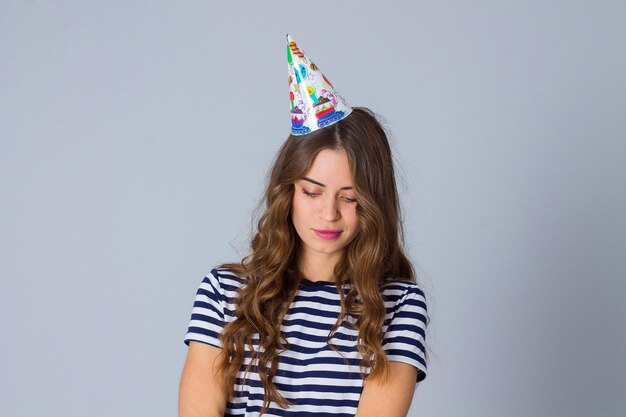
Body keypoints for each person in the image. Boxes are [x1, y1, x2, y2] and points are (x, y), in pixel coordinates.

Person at [179, 35, 429, 417]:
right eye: (312, 192)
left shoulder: (397, 306)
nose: (329, 214)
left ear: (374, 205)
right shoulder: (223, 293)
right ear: (288, 191)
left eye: (350, 198)